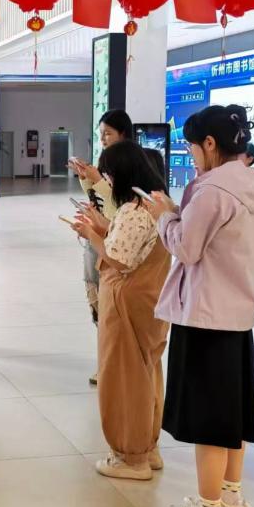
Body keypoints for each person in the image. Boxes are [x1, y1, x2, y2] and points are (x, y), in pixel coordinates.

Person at [144, 105, 254, 507]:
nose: (192, 156)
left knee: (211, 419)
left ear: (210, 144)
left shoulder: (213, 190)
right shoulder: (248, 182)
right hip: (236, 316)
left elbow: (186, 247)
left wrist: (163, 214)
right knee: (232, 415)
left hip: (206, 315)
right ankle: (231, 498)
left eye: (193, 148)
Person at [72, 141, 170, 480]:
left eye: (109, 175)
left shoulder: (132, 209)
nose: (107, 181)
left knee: (124, 379)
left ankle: (131, 457)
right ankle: (148, 448)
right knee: (146, 375)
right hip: (149, 303)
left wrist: (91, 233)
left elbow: (119, 258)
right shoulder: (155, 205)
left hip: (126, 304)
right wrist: (102, 227)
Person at [69, 108, 133, 386]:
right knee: (96, 301)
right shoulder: (105, 163)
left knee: (114, 306)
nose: (103, 139)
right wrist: (87, 178)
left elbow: (121, 208)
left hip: (116, 244)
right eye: (101, 134)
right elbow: (100, 201)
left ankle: (117, 365)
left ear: (124, 134)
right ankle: (106, 362)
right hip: (95, 239)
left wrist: (96, 180)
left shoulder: (130, 166)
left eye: (108, 134)